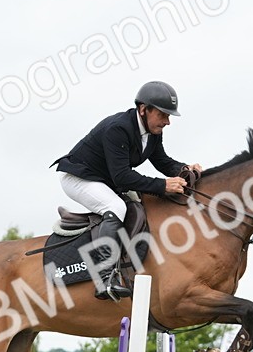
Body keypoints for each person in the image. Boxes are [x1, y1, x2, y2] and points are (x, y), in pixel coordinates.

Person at [52, 80, 203, 300]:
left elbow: (162, 161)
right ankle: (103, 279)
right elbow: (122, 177)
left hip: (104, 179)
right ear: (144, 109)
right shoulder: (119, 128)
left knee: (138, 205)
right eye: (163, 115)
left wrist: (184, 169)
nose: (167, 121)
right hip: (78, 178)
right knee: (116, 207)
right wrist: (162, 185)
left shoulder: (152, 131)